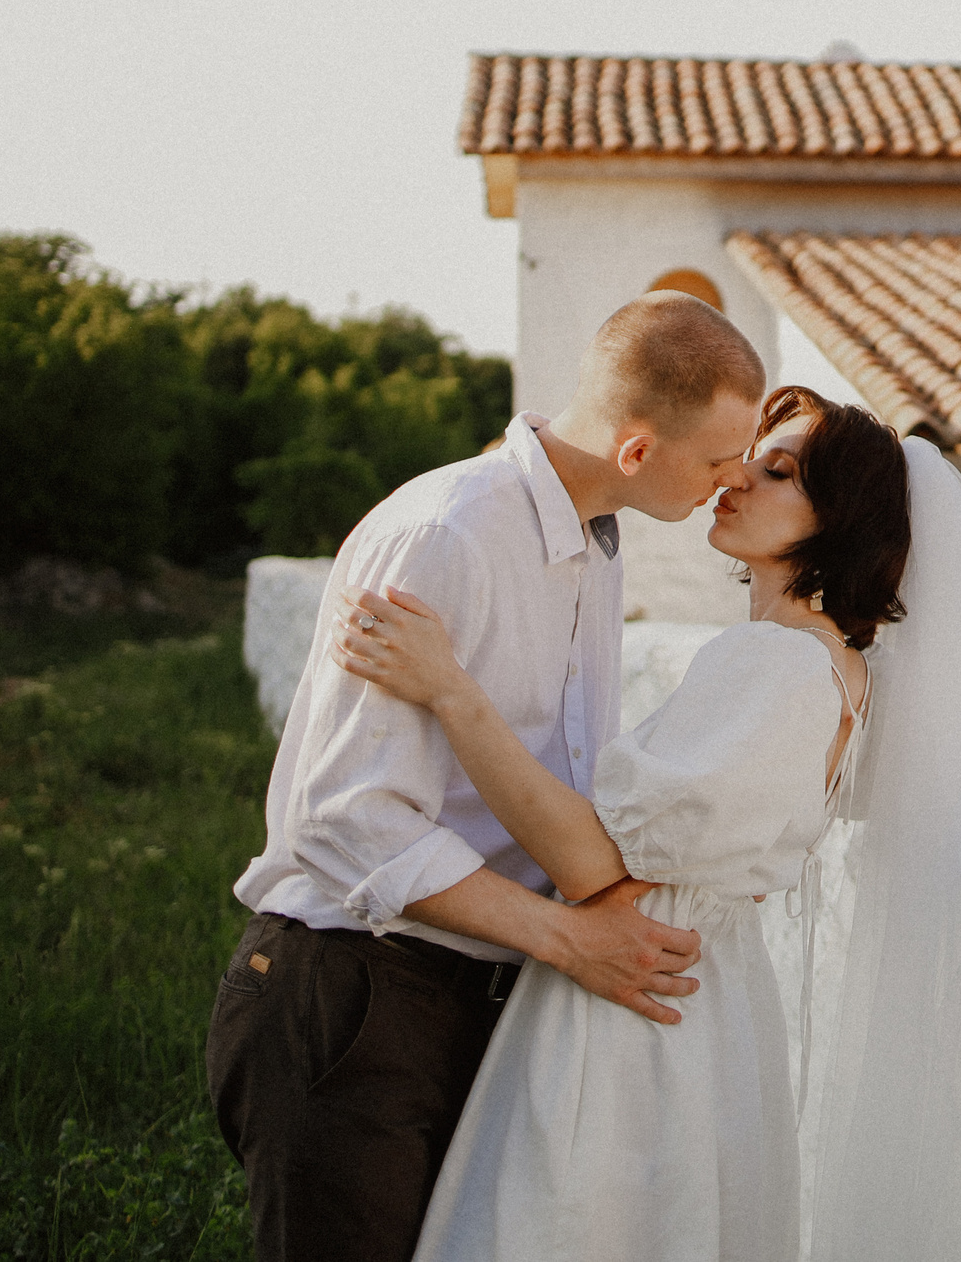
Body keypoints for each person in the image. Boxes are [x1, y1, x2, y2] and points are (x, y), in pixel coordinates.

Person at [331, 387, 961, 1261]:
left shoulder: (770, 660)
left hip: (636, 995)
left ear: (839, 518)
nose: (737, 478)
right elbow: (820, 788)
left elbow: (595, 867)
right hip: (710, 1002)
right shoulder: (836, 668)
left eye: (779, 472)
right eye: (745, 459)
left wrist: (449, 689)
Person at [206, 291, 767, 1262]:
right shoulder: (448, 535)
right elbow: (341, 821)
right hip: (352, 994)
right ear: (636, 451)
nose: (734, 480)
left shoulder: (596, 543)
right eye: (720, 461)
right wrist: (568, 939)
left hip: (471, 1000)